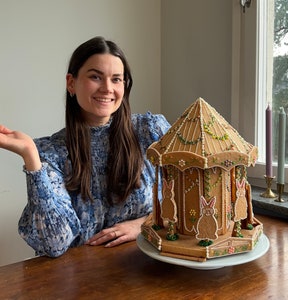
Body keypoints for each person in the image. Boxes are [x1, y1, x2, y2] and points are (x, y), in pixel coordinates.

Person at [0, 36, 170, 257]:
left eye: (116, 79)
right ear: (71, 83)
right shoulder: (51, 152)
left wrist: (145, 224)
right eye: (95, 77)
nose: (107, 88)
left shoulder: (150, 130)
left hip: (148, 268)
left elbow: (196, 200)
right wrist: (31, 156)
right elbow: (54, 244)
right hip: (82, 281)